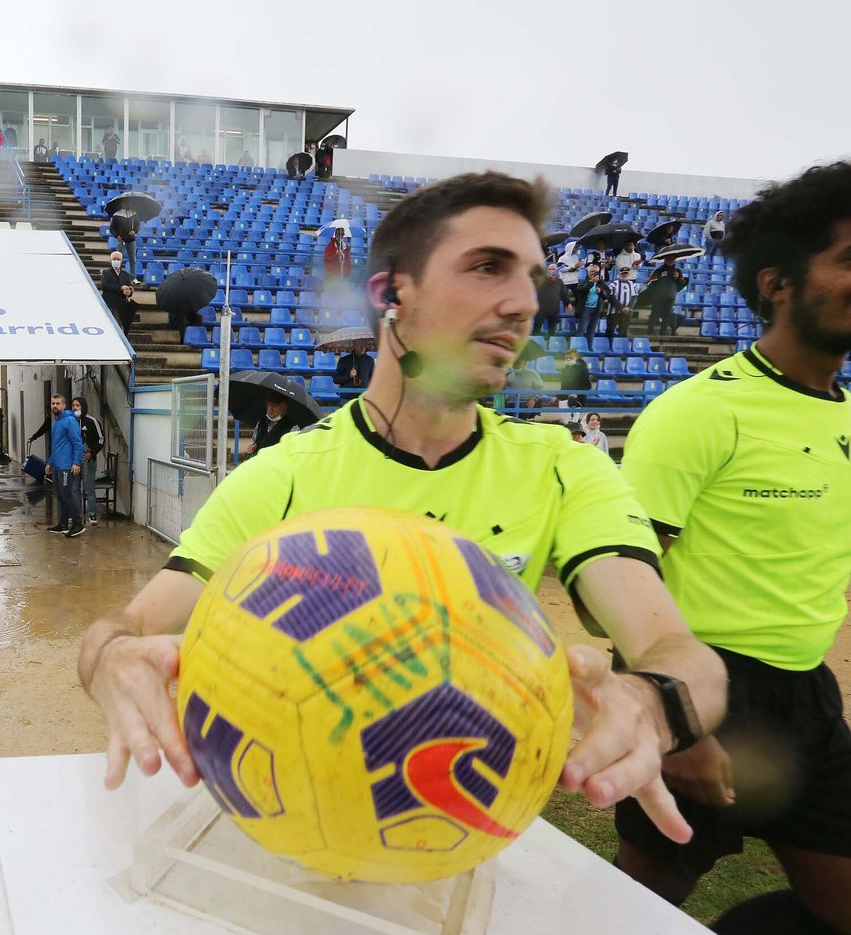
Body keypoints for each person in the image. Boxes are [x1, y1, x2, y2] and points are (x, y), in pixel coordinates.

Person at [79, 171, 727, 845]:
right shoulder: (285, 477)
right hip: (297, 826)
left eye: (531, 278)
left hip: (454, 835)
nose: (524, 304)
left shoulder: (564, 466)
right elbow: (120, 629)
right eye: (486, 268)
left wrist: (654, 702)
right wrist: (111, 664)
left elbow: (681, 653)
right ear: (391, 293)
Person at [615, 161, 851, 935]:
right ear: (779, 283)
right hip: (706, 688)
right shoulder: (699, 412)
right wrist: (671, 719)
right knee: (636, 914)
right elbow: (620, 577)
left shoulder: (843, 414)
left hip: (808, 696)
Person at [47, 393, 84, 537]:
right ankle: (63, 524)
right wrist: (50, 462)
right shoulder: (56, 422)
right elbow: (57, 445)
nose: (55, 406)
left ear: (63, 405)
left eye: (58, 403)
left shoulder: (70, 421)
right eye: (53, 403)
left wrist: (76, 463)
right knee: (61, 496)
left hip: (67, 466)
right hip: (58, 465)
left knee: (67, 495)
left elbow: (77, 443)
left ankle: (77, 524)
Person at [73, 396, 104, 525]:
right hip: (74, 462)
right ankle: (76, 515)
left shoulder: (92, 421)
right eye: (73, 405)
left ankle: (91, 513)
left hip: (89, 461)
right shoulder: (70, 421)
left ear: (83, 406)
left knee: (89, 488)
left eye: (78, 405)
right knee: (75, 489)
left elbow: (101, 439)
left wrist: (92, 452)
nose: (75, 408)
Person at [100, 250, 139, 335]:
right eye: (114, 259)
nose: (116, 261)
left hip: (121, 305)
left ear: (121, 261)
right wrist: (120, 288)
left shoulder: (125, 274)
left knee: (120, 327)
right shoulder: (106, 273)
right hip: (109, 303)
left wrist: (129, 292)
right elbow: (105, 285)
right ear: (111, 260)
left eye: (118, 259)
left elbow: (129, 287)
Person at [640, 264, 687, 335]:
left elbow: (683, 282)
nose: (676, 275)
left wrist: (680, 279)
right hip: (658, 300)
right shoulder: (660, 276)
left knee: (679, 317)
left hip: (668, 304)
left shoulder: (676, 284)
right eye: (675, 273)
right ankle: (651, 331)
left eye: (677, 274)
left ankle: (671, 332)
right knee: (656, 314)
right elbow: (650, 283)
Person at [577, 262, 611, 338]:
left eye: (596, 272)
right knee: (581, 330)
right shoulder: (583, 282)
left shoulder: (602, 283)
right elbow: (580, 291)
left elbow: (608, 295)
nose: (593, 273)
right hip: (586, 309)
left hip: (597, 309)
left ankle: (589, 347)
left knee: (591, 331)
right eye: (592, 271)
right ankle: (576, 347)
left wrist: (601, 292)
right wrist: (591, 283)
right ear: (588, 272)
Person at [607, 266, 639, 341]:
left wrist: (628, 307)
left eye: (626, 273)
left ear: (628, 274)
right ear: (619, 274)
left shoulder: (633, 285)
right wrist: (621, 308)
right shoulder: (613, 284)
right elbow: (611, 297)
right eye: (623, 273)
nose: (624, 275)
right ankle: (608, 349)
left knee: (623, 332)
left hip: (627, 312)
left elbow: (634, 297)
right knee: (610, 331)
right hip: (613, 312)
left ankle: (622, 349)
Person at [535, 261, 563, 335]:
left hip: (554, 309)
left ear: (557, 270)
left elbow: (564, 294)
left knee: (552, 331)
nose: (552, 271)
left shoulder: (559, 281)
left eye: (553, 269)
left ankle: (550, 345)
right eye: (550, 269)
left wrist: (568, 303)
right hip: (541, 309)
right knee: (536, 330)